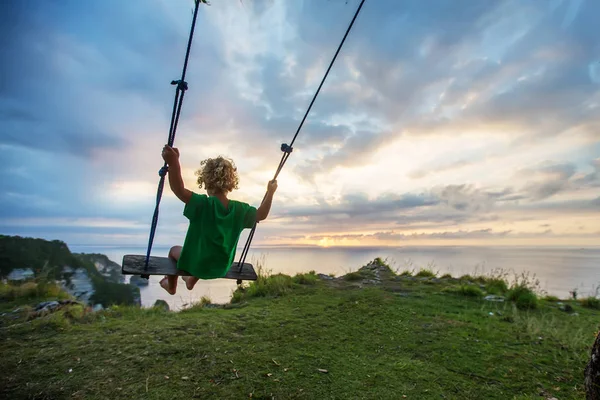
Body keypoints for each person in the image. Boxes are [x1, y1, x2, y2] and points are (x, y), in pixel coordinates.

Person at [159, 144, 277, 295]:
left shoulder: (202, 204)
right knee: (207, 255)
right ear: (231, 183)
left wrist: (173, 162)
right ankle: (190, 280)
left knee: (173, 251)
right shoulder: (240, 210)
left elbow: (178, 189)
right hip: (221, 268)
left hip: (197, 265)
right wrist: (270, 192)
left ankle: (171, 286)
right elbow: (261, 214)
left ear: (205, 181)